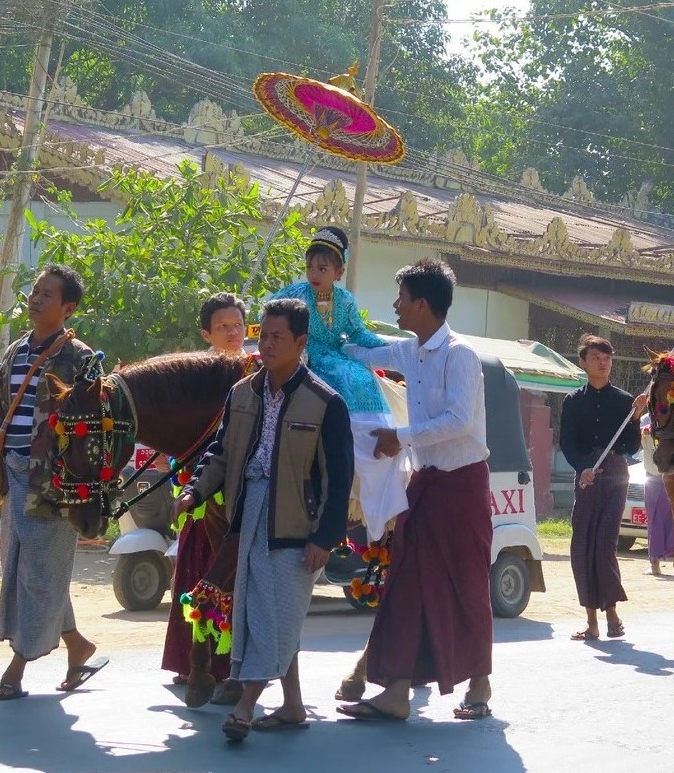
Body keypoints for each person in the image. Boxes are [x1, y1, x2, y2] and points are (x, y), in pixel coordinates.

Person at [175, 298, 353, 741]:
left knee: (273, 613)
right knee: (262, 613)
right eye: (263, 335)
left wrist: (325, 538)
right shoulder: (241, 394)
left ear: (300, 342)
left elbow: (339, 477)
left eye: (277, 337)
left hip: (295, 526)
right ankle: (292, 706)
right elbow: (220, 453)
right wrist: (194, 490)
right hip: (244, 515)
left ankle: (245, 706)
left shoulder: (325, 403)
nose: (266, 344)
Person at [335, 258, 494, 722]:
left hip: (462, 485)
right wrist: (324, 336)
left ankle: (479, 684)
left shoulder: (459, 354)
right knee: (404, 580)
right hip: (423, 483)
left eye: (400, 298)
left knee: (466, 584)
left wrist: (398, 437)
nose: (395, 305)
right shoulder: (410, 350)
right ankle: (397, 690)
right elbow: (365, 355)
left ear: (422, 305)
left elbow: (459, 422)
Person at [0, 265, 108, 700]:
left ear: (68, 307)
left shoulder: (81, 359)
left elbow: (94, 432)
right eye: (35, 290)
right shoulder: (18, 350)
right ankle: (78, 646)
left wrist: (87, 493)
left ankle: (16, 670)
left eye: (47, 293)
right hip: (12, 474)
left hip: (54, 485)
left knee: (36, 573)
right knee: (30, 568)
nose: (36, 298)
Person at [272, 226, 408, 541]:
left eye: (322, 268)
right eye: (310, 267)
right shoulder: (295, 294)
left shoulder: (345, 300)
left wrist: (386, 349)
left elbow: (358, 335)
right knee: (341, 375)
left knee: (360, 376)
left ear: (339, 271)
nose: (314, 274)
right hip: (307, 358)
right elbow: (270, 313)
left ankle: (370, 448)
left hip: (336, 357)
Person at [161, 292, 250, 705]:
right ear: (206, 333)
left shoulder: (259, 371)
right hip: (198, 484)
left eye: (237, 326)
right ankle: (189, 662)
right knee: (195, 567)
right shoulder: (195, 376)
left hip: (239, 494)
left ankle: (228, 667)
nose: (232, 333)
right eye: (222, 327)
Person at [561, 334, 647, 640]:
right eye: (597, 357)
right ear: (583, 362)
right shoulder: (573, 402)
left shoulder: (625, 401)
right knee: (582, 544)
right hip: (586, 473)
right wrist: (581, 468)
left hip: (614, 474)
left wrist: (636, 417)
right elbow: (567, 442)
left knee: (604, 545)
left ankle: (612, 613)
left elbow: (631, 445)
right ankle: (591, 621)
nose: (603, 363)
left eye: (607, 358)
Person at [640, 413, 674, 576]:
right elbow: (638, 439)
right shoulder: (645, 419)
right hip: (653, 477)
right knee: (654, 520)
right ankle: (654, 564)